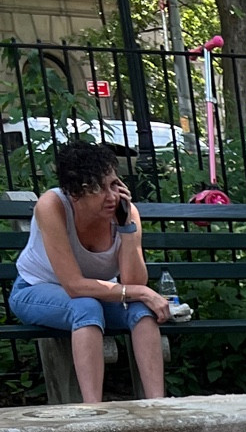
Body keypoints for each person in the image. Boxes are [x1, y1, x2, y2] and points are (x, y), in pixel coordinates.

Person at [9, 143, 171, 402]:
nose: (112, 196)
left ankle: (157, 405)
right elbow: (74, 286)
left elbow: (133, 282)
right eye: (99, 188)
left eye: (114, 184)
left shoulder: (126, 212)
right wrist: (141, 291)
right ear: (76, 193)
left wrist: (127, 228)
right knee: (86, 307)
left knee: (142, 311)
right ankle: (94, 413)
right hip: (34, 291)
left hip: (97, 293)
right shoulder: (52, 206)